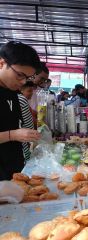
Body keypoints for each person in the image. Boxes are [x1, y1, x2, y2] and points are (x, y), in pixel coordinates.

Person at [0, 41, 41, 180]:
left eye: (28, 77)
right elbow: (12, 133)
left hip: (14, 171)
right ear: (1, 64)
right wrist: (13, 135)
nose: (24, 82)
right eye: (20, 75)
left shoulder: (12, 91)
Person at [18, 82, 35, 161]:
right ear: (21, 90)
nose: (31, 94)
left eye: (32, 91)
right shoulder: (22, 100)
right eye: (29, 91)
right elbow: (28, 125)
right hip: (22, 141)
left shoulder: (16, 98)